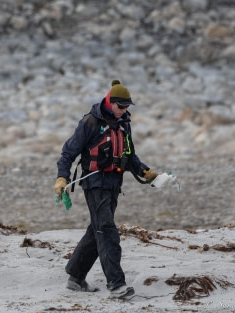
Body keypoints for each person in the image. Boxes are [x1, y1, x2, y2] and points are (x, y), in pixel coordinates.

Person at [54, 80, 159, 299]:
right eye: (121, 106)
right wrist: (61, 178)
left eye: (127, 106)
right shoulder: (90, 123)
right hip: (94, 185)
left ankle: (75, 276)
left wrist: (144, 172)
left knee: (97, 230)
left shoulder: (124, 124)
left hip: (113, 185)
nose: (124, 110)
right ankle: (117, 285)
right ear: (110, 102)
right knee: (107, 231)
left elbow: (128, 155)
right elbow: (67, 154)